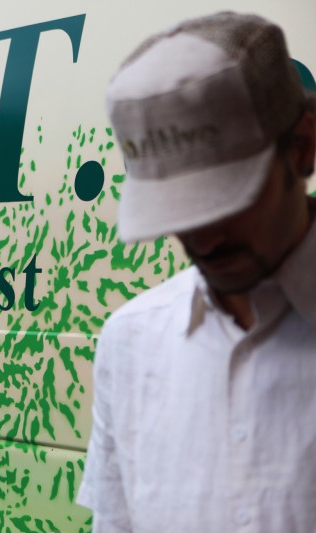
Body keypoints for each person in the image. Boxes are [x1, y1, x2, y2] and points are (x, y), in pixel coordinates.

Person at [76, 11, 316, 532]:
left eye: (225, 202)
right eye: (179, 211)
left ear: (302, 147)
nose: (204, 239)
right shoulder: (130, 342)